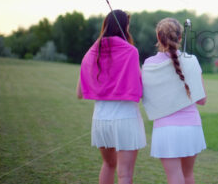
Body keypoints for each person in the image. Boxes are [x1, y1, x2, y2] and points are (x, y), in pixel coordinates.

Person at [76, 10, 146, 184]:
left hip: (100, 120)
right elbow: (140, 88)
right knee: (125, 175)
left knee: (108, 165)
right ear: (125, 27)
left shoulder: (92, 52)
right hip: (126, 119)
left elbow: (79, 92)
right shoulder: (131, 52)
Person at [142, 17, 207, 184]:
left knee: (174, 177)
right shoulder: (191, 61)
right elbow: (202, 100)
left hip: (166, 129)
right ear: (180, 38)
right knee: (188, 176)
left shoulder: (148, 64)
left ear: (158, 37)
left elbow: (147, 97)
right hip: (191, 127)